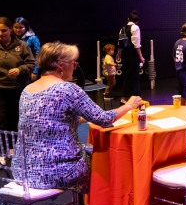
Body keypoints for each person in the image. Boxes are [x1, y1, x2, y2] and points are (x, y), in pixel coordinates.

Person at [15, 41, 143, 190]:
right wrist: (129, 105)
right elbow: (104, 119)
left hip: (23, 171)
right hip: (57, 172)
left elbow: (51, 119)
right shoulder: (68, 89)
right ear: (60, 65)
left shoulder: (27, 90)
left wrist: (83, 118)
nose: (75, 67)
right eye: (73, 63)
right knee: (108, 156)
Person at [114, 10, 145, 103]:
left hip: (125, 54)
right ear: (137, 21)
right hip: (133, 54)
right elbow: (136, 44)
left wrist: (118, 55)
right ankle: (135, 97)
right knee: (134, 75)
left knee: (126, 75)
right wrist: (141, 57)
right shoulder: (135, 27)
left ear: (128, 19)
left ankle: (124, 97)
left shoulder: (122, 28)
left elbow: (120, 44)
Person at [13, 16, 42, 81]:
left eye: (21, 27)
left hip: (29, 70)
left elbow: (38, 55)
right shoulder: (11, 38)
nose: (18, 30)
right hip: (14, 70)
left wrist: (35, 71)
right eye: (16, 27)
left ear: (26, 27)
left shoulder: (33, 38)